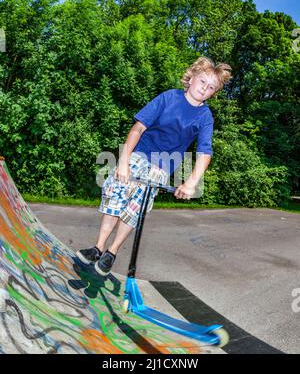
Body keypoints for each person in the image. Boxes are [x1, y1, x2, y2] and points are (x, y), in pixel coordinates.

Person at [76, 56, 232, 276]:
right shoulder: (169, 97)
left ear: (214, 93)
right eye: (202, 81)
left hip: (162, 167)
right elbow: (137, 128)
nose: (204, 88)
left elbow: (205, 152)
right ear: (192, 77)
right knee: (117, 192)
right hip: (139, 154)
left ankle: (111, 253)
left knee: (135, 209)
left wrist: (191, 183)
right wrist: (123, 161)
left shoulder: (205, 116)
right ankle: (98, 248)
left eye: (211, 87)